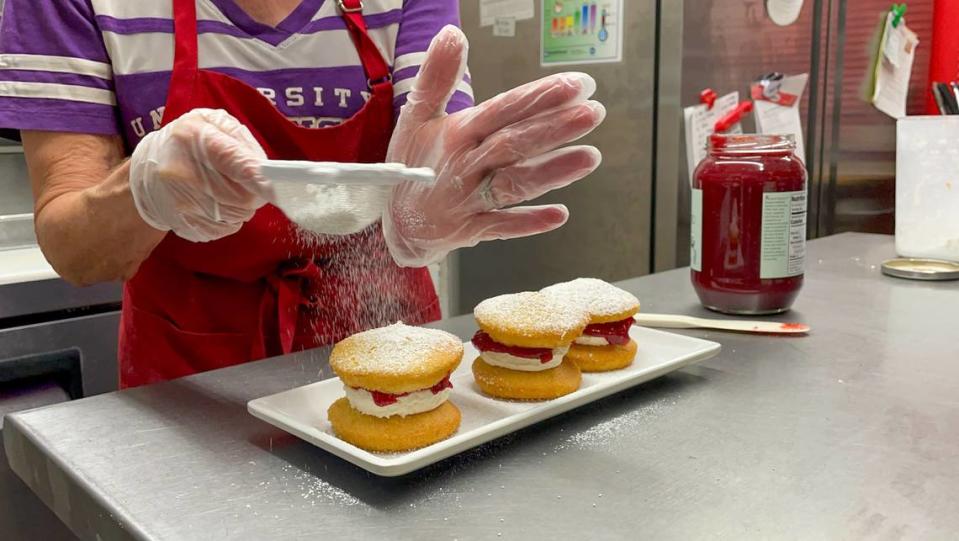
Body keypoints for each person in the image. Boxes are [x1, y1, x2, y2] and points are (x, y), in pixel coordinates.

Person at [0, 0, 605, 387]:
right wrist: (142, 193)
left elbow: (435, 136)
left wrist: (429, 199)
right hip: (190, 377)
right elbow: (76, 251)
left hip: (390, 343)